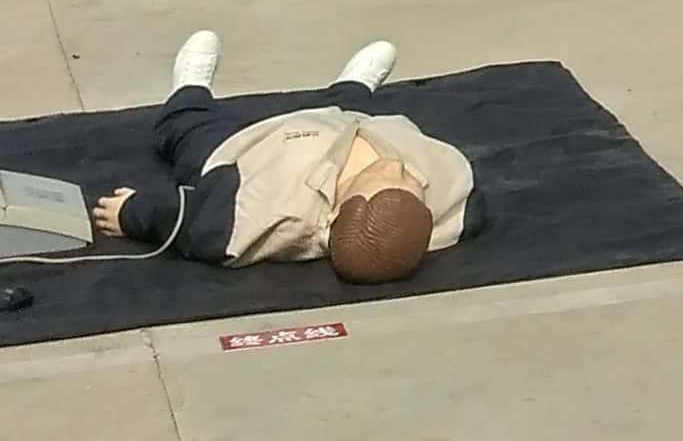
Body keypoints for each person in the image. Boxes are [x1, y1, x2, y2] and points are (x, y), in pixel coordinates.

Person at [78, 30, 476, 280]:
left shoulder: (269, 216)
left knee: (190, 131)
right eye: (408, 184)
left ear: (337, 213)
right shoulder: (449, 205)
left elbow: (192, 222)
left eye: (386, 179)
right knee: (348, 107)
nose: (402, 170)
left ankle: (188, 88)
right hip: (354, 123)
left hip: (247, 150)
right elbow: (468, 209)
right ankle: (352, 87)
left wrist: (132, 213)